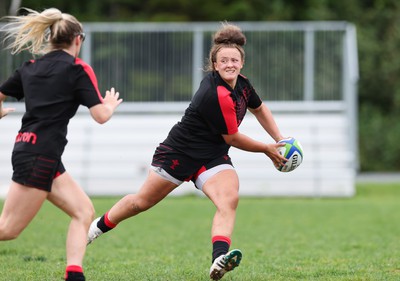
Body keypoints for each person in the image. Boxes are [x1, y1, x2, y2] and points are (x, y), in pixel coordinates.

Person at [87, 22, 287, 280]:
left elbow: (259, 109)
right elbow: (233, 137)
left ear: (241, 63)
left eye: (234, 60)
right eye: (223, 60)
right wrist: (266, 149)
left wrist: (280, 139)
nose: (229, 64)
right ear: (215, 65)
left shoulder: (243, 86)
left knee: (229, 199)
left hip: (212, 155)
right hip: (178, 153)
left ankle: (218, 260)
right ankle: (94, 229)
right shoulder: (215, 93)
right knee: (141, 203)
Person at [0, 7, 122, 281]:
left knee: (83, 211)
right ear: (77, 39)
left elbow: (1, 95)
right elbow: (100, 116)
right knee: (8, 230)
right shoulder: (78, 69)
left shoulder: (30, 67)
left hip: (33, 151)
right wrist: (110, 105)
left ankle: (74, 274)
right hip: (39, 154)